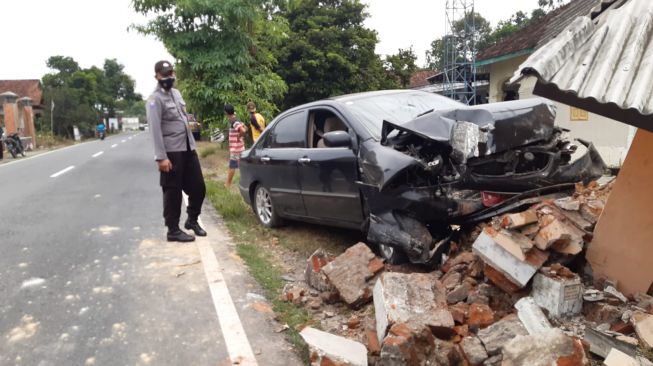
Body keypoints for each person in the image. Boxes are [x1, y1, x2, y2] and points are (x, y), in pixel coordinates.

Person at [146, 60, 207, 242]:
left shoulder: (177, 93)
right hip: (171, 152)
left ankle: (192, 220)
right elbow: (154, 129)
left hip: (188, 147)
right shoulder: (153, 100)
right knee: (172, 191)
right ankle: (173, 230)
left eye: (170, 73)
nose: (168, 77)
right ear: (156, 76)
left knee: (198, 187)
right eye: (164, 74)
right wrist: (161, 157)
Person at [225, 104, 247, 188]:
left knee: (232, 166)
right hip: (240, 147)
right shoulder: (237, 119)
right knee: (242, 166)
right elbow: (245, 128)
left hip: (236, 148)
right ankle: (244, 183)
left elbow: (243, 130)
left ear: (226, 112)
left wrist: (239, 136)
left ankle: (227, 184)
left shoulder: (233, 121)